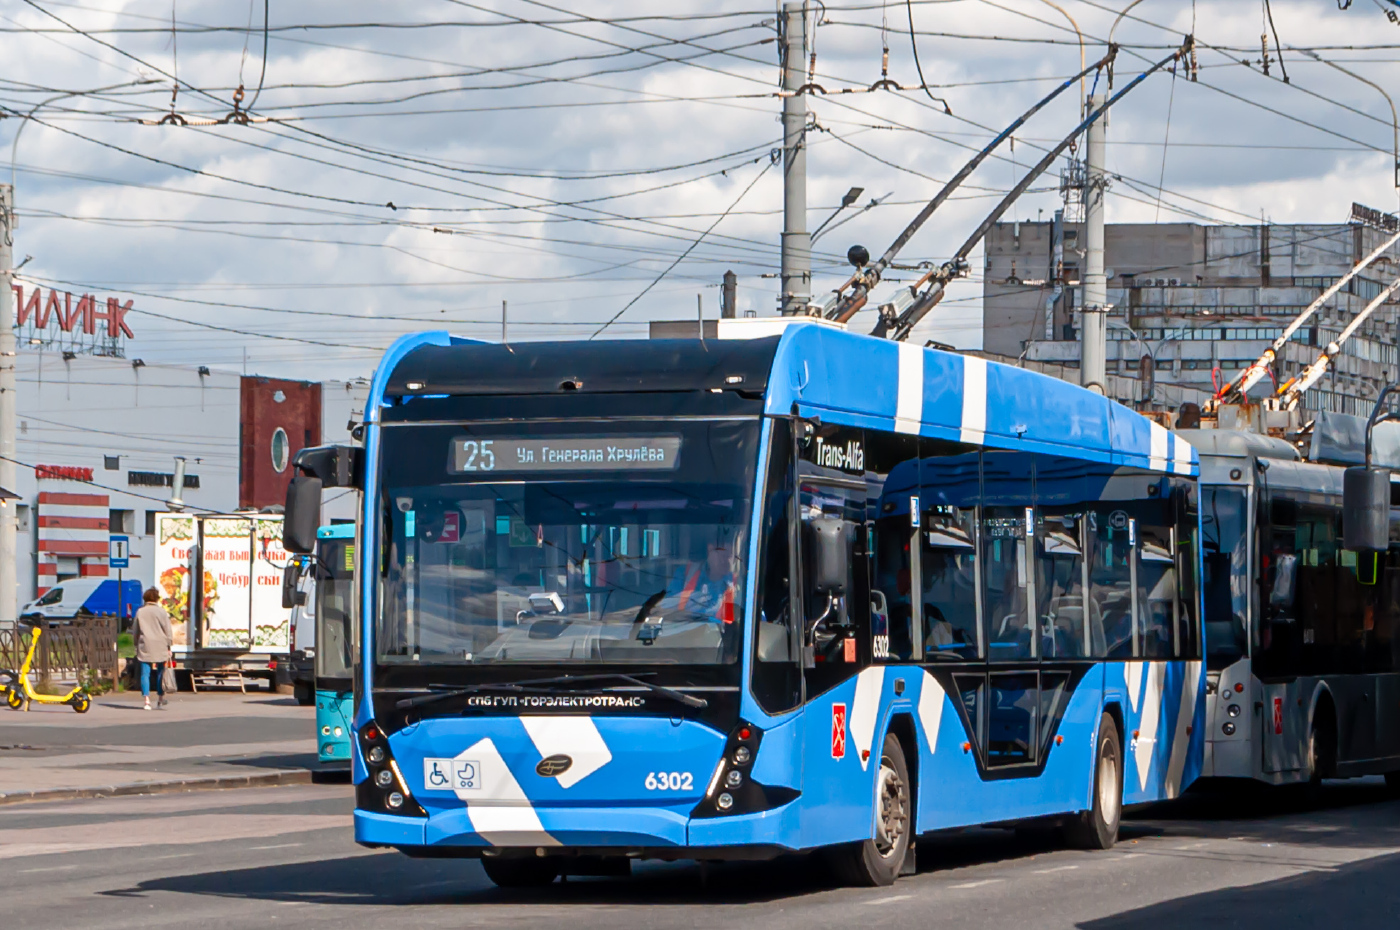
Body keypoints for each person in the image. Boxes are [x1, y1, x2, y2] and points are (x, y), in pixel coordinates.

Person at [659, 542, 736, 623]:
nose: (726, 561)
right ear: (710, 550)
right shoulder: (685, 573)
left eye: (729, 556)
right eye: (722, 555)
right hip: (685, 630)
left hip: (719, 634)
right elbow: (668, 609)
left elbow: (733, 621)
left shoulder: (736, 583)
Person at [134, 586, 174, 710]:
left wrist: (136, 644)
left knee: (145, 673)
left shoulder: (140, 612)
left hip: (145, 643)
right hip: (160, 644)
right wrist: (169, 645)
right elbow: (168, 630)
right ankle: (160, 698)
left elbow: (136, 630)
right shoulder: (162, 612)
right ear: (157, 599)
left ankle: (147, 700)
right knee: (161, 672)